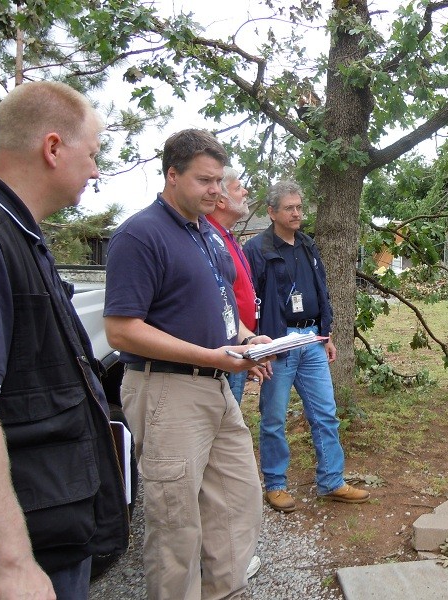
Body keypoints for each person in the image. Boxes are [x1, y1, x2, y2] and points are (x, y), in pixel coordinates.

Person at [104, 129, 269, 599]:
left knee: (237, 505)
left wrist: (247, 341)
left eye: (219, 181)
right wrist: (212, 356)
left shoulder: (206, 236)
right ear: (171, 175)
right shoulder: (140, 235)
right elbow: (121, 330)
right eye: (205, 181)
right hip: (167, 392)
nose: (216, 190)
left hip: (216, 386)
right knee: (175, 522)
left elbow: (221, 310)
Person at [0, 81, 128, 600]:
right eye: (92, 155)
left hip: (53, 520)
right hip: (31, 544)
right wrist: (13, 561)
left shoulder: (23, 235)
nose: (95, 171)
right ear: (52, 148)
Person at [243, 180, 370, 513]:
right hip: (278, 343)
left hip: (312, 339)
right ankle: (275, 484)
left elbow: (321, 290)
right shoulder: (257, 249)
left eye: (299, 207)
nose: (297, 213)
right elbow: (248, 300)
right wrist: (257, 348)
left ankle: (331, 481)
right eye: (290, 208)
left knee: (325, 414)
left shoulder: (308, 245)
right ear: (272, 212)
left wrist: (327, 334)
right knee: (273, 419)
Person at [207, 166, 263, 404]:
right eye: (238, 187)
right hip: (223, 353)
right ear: (221, 200)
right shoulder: (209, 239)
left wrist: (249, 343)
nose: (246, 191)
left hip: (240, 346)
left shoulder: (228, 237)